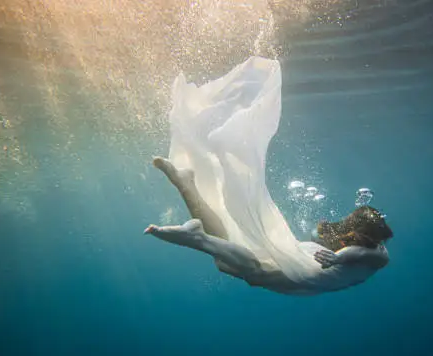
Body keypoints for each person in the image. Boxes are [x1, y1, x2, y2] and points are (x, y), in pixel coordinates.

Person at [143, 56, 393, 296]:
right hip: (308, 274)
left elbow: (358, 254)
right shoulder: (378, 255)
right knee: (250, 270)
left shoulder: (369, 252)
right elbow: (361, 255)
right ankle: (196, 235)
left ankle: (185, 185)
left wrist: (337, 256)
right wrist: (338, 257)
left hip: (311, 267)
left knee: (231, 261)